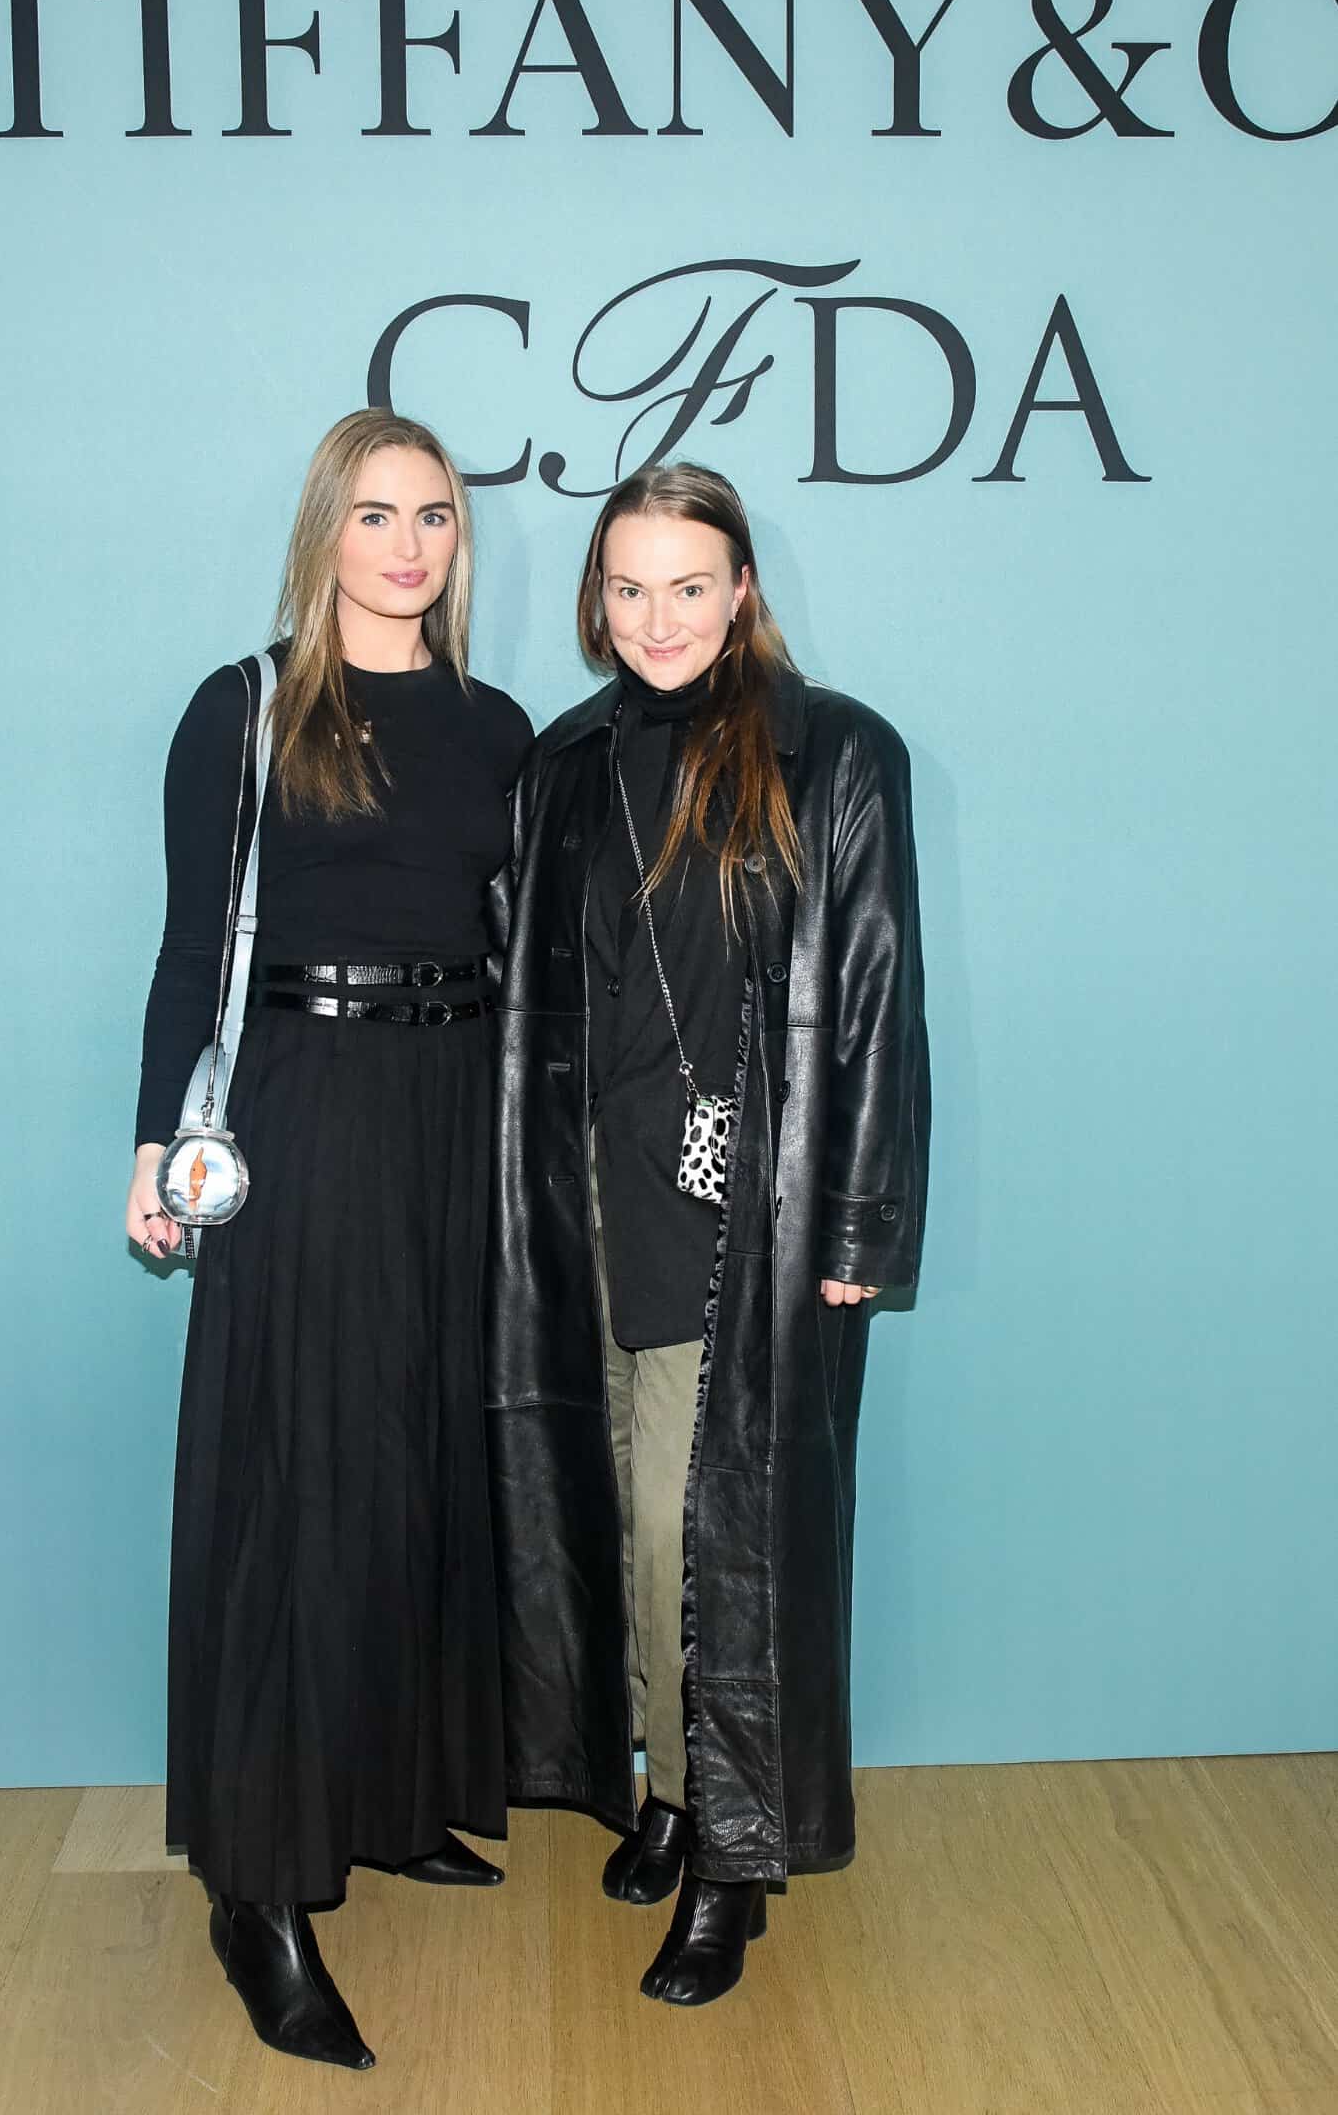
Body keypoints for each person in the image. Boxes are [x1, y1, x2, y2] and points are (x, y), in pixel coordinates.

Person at [486, 462, 929, 2007]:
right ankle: (672, 1790)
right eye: (629, 588)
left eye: (688, 585)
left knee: (710, 1539)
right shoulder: (565, 764)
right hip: (589, 1203)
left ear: (742, 590)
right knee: (617, 1519)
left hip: (749, 1221)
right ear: (596, 598)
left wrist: (861, 1221)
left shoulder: (837, 753)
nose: (657, 617)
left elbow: (873, 997)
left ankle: (735, 1858)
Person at [126, 410, 532, 2070]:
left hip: (459, 1109)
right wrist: (152, 1141)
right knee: (298, 1478)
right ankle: (262, 1893)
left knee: (429, 1459)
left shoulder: (499, 726)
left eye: (433, 516)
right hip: (306, 1103)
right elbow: (185, 947)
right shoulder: (244, 707)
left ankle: (393, 1795)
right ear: (325, 531)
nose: (408, 545)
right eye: (376, 514)